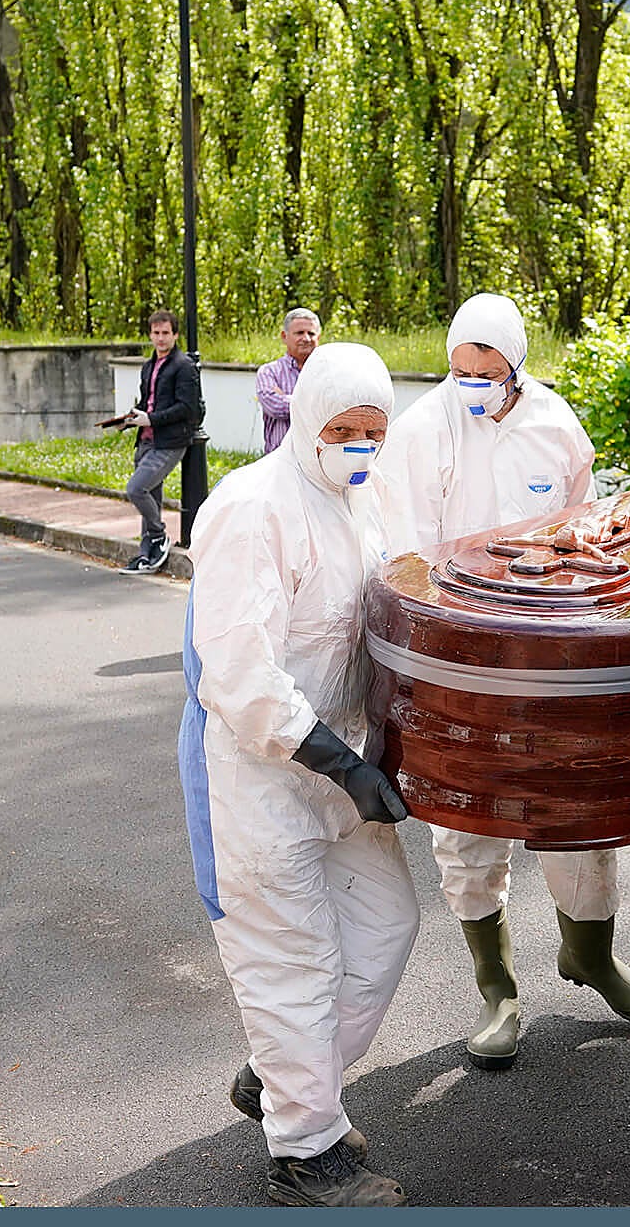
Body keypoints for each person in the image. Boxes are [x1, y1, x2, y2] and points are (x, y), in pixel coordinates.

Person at [374, 292, 630, 1071]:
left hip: (548, 664)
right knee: (468, 825)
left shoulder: (554, 425)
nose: (473, 382)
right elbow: (406, 562)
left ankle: (592, 957)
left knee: (577, 813)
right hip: (460, 667)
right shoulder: (418, 436)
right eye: (460, 369)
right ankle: (496, 985)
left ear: (518, 367)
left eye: (489, 371)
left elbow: (581, 528)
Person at [176, 342, 417, 1207]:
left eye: (372, 431)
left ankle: (281, 1076)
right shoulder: (252, 508)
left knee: (388, 928)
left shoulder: (364, 499)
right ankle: (306, 1154)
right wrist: (338, 765)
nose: (357, 444)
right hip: (259, 775)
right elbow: (238, 676)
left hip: (342, 761)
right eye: (343, 429)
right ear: (306, 415)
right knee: (292, 962)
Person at [119, 308, 203, 574]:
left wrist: (151, 419)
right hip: (144, 441)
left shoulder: (184, 366)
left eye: (166, 333)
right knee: (150, 498)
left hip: (169, 442)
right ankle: (147, 556)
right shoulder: (148, 366)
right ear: (150, 335)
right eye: (156, 333)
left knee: (136, 489)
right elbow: (147, 402)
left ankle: (158, 535)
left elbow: (187, 408)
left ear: (175, 335)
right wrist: (132, 417)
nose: (161, 338)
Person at [256, 308, 322, 453]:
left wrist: (286, 398)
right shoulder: (269, 371)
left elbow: (335, 408)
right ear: (284, 336)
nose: (306, 338)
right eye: (299, 333)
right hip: (279, 459)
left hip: (317, 461)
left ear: (319, 337)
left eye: (311, 333)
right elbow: (274, 408)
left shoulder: (327, 373)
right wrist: (317, 403)